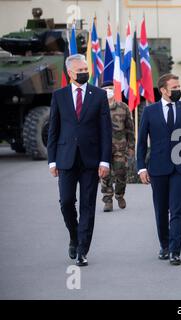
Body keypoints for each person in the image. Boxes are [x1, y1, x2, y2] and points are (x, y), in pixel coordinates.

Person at [47, 54, 112, 267]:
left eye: (86, 69)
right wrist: (52, 161)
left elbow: (105, 131)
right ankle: (74, 236)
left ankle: (82, 250)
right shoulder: (59, 96)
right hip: (65, 159)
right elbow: (53, 130)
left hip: (91, 160)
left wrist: (105, 161)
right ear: (70, 73)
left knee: (87, 205)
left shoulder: (99, 95)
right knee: (66, 202)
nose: (85, 73)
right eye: (80, 70)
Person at [136, 73, 181, 266]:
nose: (178, 90)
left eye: (179, 86)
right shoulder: (150, 111)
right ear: (163, 90)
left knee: (178, 210)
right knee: (161, 210)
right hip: (157, 168)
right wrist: (141, 168)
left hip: (180, 168)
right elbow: (141, 143)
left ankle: (175, 250)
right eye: (174, 88)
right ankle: (164, 245)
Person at [99, 81, 135, 212]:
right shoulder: (97, 108)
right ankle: (107, 199)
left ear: (114, 90)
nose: (108, 91)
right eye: (105, 89)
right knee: (105, 175)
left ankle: (120, 195)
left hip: (120, 147)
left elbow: (130, 129)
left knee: (121, 172)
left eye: (110, 88)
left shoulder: (123, 107)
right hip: (103, 149)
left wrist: (131, 146)